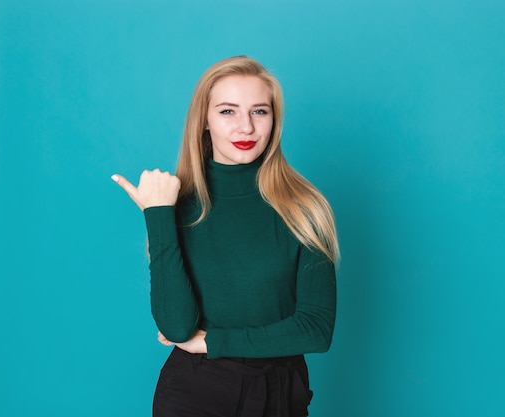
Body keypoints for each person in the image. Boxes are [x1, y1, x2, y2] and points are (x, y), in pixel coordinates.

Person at [112, 55, 339, 417]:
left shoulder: (306, 208)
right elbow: (176, 326)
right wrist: (157, 215)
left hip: (281, 394)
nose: (245, 127)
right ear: (204, 120)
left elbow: (315, 330)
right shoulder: (179, 208)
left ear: (274, 120)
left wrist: (215, 341)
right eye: (228, 111)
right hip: (195, 393)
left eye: (259, 112)